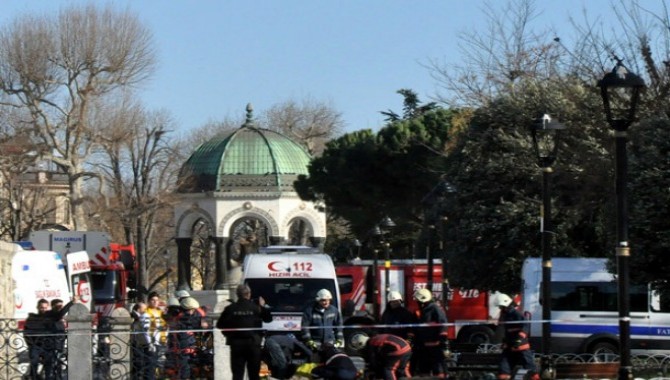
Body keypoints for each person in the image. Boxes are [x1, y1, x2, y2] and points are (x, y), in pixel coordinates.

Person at [217, 284, 272, 380]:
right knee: (254, 374)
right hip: (253, 344)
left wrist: (229, 334)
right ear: (249, 294)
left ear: (237, 294)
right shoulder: (256, 308)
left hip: (236, 345)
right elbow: (268, 319)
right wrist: (263, 306)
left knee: (237, 374)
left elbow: (220, 325)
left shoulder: (230, 308)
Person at [24, 297, 77, 380]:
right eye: (42, 307)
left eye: (45, 308)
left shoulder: (50, 315)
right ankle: (33, 377)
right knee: (34, 361)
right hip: (35, 346)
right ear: (38, 307)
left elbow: (60, 314)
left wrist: (71, 303)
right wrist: (31, 345)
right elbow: (26, 333)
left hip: (47, 346)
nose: (43, 310)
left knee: (49, 364)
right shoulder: (32, 318)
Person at [497, 294, 538, 380]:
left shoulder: (516, 313)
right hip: (510, 343)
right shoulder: (505, 315)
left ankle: (534, 376)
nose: (501, 308)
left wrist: (521, 336)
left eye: (502, 306)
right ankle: (504, 376)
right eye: (500, 307)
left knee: (528, 363)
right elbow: (506, 329)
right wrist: (505, 341)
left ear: (506, 304)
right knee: (504, 364)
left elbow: (525, 324)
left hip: (519, 342)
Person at [412, 288, 449, 378]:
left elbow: (443, 323)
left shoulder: (434, 308)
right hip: (424, 346)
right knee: (424, 369)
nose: (417, 302)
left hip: (435, 346)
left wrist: (442, 340)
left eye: (418, 300)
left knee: (438, 370)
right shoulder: (424, 310)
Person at [131, 302, 155, 380]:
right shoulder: (143, 316)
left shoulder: (140, 316)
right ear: (138, 309)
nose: (145, 310)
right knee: (142, 363)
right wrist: (150, 343)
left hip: (139, 342)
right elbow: (145, 331)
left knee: (140, 363)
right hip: (140, 342)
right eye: (144, 309)